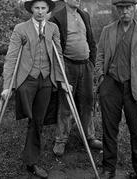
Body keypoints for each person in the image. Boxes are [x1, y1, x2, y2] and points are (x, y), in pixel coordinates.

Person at [1, 0, 68, 178]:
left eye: (43, 8)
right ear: (31, 9)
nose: (40, 11)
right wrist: (7, 86)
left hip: (46, 80)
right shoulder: (20, 28)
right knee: (28, 114)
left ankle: (31, 162)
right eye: (36, 8)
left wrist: (61, 80)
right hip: (27, 79)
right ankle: (26, 117)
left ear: (48, 10)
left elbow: (58, 54)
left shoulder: (53, 28)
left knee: (37, 122)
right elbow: (12, 57)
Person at [95, 0, 137, 178]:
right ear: (116, 10)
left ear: (134, 8)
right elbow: (99, 56)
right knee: (109, 129)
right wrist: (100, 76)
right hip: (111, 86)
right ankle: (108, 169)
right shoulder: (107, 31)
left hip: (135, 88)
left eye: (128, 7)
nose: (124, 12)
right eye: (121, 8)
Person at [49, 0, 102, 156]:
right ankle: (60, 140)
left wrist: (92, 63)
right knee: (66, 104)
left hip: (86, 65)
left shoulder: (84, 15)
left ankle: (89, 136)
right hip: (68, 66)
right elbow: (55, 47)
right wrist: (61, 71)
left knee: (87, 101)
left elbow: (91, 40)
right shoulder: (57, 18)